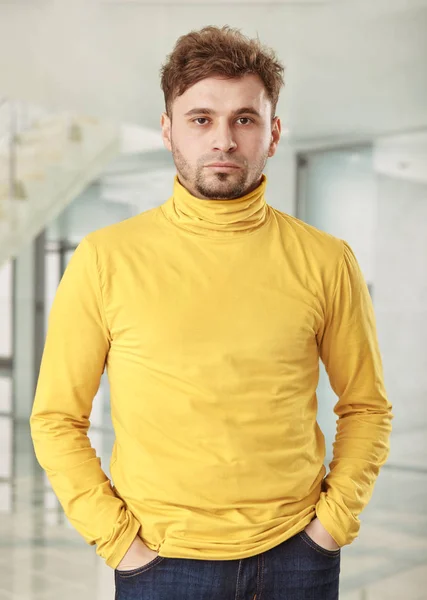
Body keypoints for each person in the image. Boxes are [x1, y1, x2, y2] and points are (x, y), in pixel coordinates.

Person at [30, 25, 393, 600]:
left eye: (244, 119)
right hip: (162, 561)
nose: (223, 139)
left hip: (299, 555)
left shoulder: (327, 260)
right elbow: (55, 419)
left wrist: (331, 527)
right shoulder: (106, 258)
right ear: (168, 129)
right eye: (201, 119)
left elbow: (367, 406)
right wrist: (121, 544)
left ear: (272, 133)